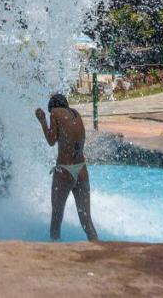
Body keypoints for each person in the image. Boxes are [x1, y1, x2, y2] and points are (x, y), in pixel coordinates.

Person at [34, 93, 99, 242]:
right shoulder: (76, 114)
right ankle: (98, 246)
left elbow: (51, 140)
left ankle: (55, 253)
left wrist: (43, 121)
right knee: (86, 220)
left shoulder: (55, 113)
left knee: (56, 217)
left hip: (65, 169)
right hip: (81, 169)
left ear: (53, 107)